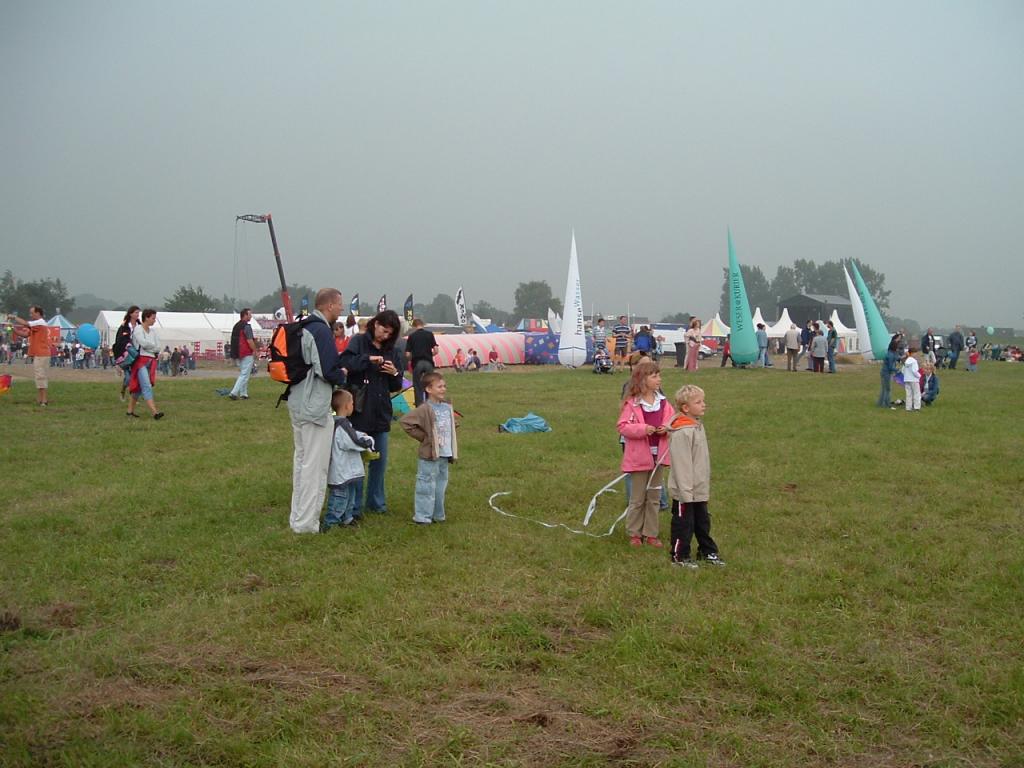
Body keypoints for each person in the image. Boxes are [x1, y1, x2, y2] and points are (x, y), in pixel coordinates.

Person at [288, 288, 348, 534]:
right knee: (315, 466)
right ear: (329, 305)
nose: (342, 308)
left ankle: (297, 518)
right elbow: (327, 370)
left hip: (298, 400)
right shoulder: (321, 331)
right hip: (315, 405)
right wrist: (342, 375)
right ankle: (306, 524)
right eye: (340, 304)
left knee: (302, 462)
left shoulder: (304, 326)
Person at [339, 309, 404, 516]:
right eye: (384, 330)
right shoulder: (358, 342)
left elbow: (396, 385)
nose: (386, 336)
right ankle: (354, 507)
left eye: (390, 334)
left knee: (379, 462)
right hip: (359, 410)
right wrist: (368, 360)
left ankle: (376, 503)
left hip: (381, 412)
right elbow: (345, 364)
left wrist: (394, 372)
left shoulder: (393, 350)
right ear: (375, 324)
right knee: (357, 463)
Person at [617, 359, 672, 548]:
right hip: (639, 458)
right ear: (642, 380)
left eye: (659, 376)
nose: (659, 379)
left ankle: (651, 533)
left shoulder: (663, 402)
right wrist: (642, 429)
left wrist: (666, 428)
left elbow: (672, 420)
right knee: (637, 498)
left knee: (654, 497)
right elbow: (623, 427)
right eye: (654, 376)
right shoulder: (632, 404)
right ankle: (634, 533)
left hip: (659, 457)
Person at [667, 385, 723, 568]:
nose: (704, 405)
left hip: (698, 486)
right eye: (698, 402)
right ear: (685, 408)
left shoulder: (697, 426)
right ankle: (680, 555)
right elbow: (682, 465)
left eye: (703, 401)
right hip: (685, 490)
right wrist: (685, 493)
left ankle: (707, 551)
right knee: (684, 523)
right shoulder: (682, 432)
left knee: (702, 521)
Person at [400, 371, 458, 525]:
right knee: (426, 486)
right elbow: (406, 422)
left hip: (445, 454)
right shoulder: (424, 409)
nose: (443, 389)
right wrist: (425, 437)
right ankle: (423, 517)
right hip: (429, 455)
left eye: (444, 386)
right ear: (428, 389)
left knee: (440, 486)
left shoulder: (447, 407)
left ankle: (438, 515)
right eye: (439, 386)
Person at [323, 389, 376, 531]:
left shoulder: (340, 423)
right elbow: (351, 441)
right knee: (339, 497)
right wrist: (367, 442)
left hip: (347, 470)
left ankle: (347, 518)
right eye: (352, 403)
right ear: (347, 406)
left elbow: (351, 434)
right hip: (341, 470)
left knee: (350, 495)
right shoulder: (342, 425)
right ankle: (331, 522)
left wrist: (359, 434)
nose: (353, 405)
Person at [127, 309, 164, 419]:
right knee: (146, 385)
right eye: (153, 318)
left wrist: (150, 347)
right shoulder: (138, 329)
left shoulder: (153, 332)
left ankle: (130, 411)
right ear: (146, 317)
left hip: (151, 361)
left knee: (139, 388)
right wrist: (153, 347)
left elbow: (158, 347)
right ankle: (155, 412)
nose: (154, 320)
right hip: (140, 361)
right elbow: (143, 343)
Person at [9, 306, 50, 406]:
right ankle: (40, 399)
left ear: (38, 313)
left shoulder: (40, 322)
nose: (30, 315)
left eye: (32, 313)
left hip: (41, 353)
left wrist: (14, 317)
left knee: (40, 377)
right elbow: (25, 334)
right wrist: (13, 328)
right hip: (39, 354)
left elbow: (25, 323)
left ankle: (44, 400)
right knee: (39, 376)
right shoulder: (36, 325)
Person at [228, 308, 260, 401]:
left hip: (237, 353)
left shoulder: (236, 326)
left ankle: (243, 394)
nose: (251, 316)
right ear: (245, 315)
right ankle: (234, 392)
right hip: (246, 352)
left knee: (244, 373)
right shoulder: (247, 327)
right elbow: (249, 341)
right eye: (250, 314)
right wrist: (255, 351)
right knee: (244, 374)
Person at [405, 318, 438, 405]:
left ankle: (419, 406)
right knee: (430, 384)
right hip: (428, 363)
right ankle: (430, 404)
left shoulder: (412, 336)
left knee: (417, 386)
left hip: (417, 363)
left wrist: (412, 358)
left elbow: (407, 354)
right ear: (422, 325)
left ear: (414, 326)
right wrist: (430, 355)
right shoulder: (429, 334)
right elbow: (436, 350)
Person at [112, 306, 140, 400]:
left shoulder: (139, 325)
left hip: (136, 350)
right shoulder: (124, 326)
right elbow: (120, 340)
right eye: (136, 312)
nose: (137, 314)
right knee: (128, 378)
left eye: (138, 313)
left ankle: (134, 396)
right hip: (126, 353)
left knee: (136, 376)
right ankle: (123, 390)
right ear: (131, 314)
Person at [878, 334, 900, 409]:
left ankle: (880, 403)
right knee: (888, 389)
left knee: (883, 389)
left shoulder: (890, 353)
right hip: (886, 373)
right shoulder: (891, 355)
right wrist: (897, 370)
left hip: (883, 372)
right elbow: (890, 367)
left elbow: (896, 358)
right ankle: (887, 404)